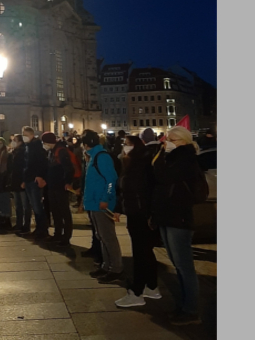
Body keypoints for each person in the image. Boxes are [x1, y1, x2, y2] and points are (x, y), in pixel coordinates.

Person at [149, 126, 204, 325]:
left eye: (173, 139)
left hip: (178, 217)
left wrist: (164, 155)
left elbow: (164, 176)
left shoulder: (185, 158)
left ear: (183, 141)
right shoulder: (171, 156)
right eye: (167, 139)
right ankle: (183, 306)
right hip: (167, 215)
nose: (167, 142)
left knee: (184, 265)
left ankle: (191, 310)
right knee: (177, 263)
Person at [114, 130, 161, 308]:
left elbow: (134, 189)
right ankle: (152, 286)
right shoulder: (137, 162)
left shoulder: (138, 164)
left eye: (126, 143)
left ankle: (137, 291)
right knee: (146, 251)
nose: (124, 146)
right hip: (140, 211)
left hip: (140, 213)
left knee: (140, 253)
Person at [82, 129, 124, 284]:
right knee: (101, 236)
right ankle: (107, 265)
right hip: (94, 202)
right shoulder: (94, 156)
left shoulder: (101, 157)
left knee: (108, 237)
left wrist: (106, 197)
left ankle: (116, 268)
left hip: (101, 203)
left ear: (86, 144)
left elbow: (111, 180)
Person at [44, 132, 75, 246]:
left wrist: (67, 182)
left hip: (60, 186)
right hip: (53, 185)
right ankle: (58, 234)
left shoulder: (60, 151)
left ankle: (66, 237)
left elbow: (68, 168)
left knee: (64, 212)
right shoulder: (52, 151)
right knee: (56, 211)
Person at [21, 126, 49, 239]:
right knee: (35, 205)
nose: (24, 137)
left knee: (37, 206)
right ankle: (39, 228)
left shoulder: (36, 147)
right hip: (29, 179)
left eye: (25, 135)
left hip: (34, 180)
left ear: (31, 135)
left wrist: (39, 176)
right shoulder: (29, 146)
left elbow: (40, 163)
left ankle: (42, 229)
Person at [8, 133, 31, 234]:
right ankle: (19, 224)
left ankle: (26, 225)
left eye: (15, 140)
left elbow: (24, 167)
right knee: (18, 205)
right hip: (16, 181)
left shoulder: (23, 151)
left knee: (25, 205)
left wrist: (24, 180)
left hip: (21, 181)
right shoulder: (15, 151)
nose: (13, 142)